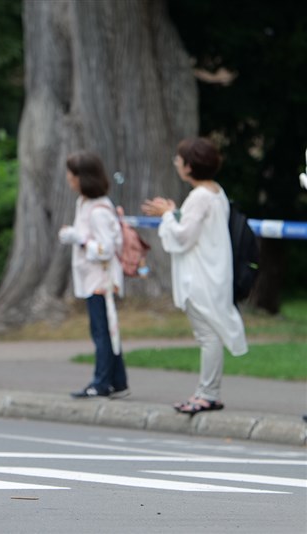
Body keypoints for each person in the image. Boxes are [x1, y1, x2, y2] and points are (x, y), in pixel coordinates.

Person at [142, 137, 248, 413]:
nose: (176, 163)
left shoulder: (200, 196)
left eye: (179, 159)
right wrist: (173, 212)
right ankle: (207, 391)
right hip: (213, 272)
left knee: (207, 335)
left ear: (189, 166)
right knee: (210, 334)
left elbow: (183, 237)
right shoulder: (215, 192)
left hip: (201, 276)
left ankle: (207, 394)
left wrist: (167, 216)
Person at [58, 151, 129, 399]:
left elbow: (106, 249)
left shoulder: (98, 210)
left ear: (81, 177)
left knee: (102, 332)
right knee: (105, 330)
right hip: (92, 278)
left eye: (71, 174)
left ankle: (101, 383)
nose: (68, 178)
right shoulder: (85, 203)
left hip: (102, 279)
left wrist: (79, 239)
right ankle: (118, 382)